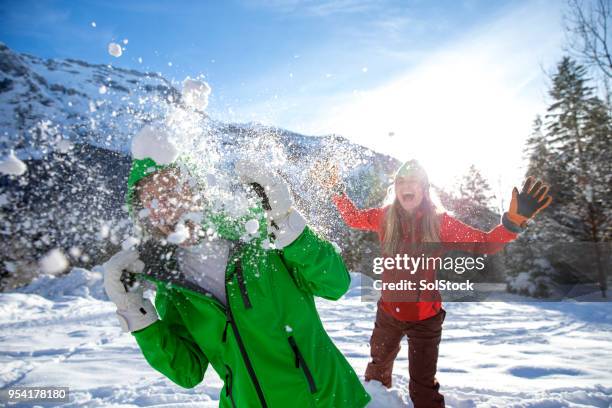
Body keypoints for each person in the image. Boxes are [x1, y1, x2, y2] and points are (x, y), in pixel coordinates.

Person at [102, 156, 371, 408]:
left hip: (325, 399)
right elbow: (187, 371)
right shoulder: (172, 283)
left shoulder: (257, 234)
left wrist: (285, 222)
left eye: (170, 189)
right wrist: (136, 313)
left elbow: (335, 284)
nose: (164, 206)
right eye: (151, 199)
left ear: (194, 188)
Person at [315, 159, 552, 408]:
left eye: (413, 182)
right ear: (395, 188)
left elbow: (484, 243)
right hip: (388, 314)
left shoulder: (441, 222)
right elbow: (353, 218)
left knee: (422, 388)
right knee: (376, 375)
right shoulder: (385, 217)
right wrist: (336, 191)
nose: (407, 187)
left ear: (425, 188)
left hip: (425, 320)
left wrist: (512, 223)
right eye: (401, 182)